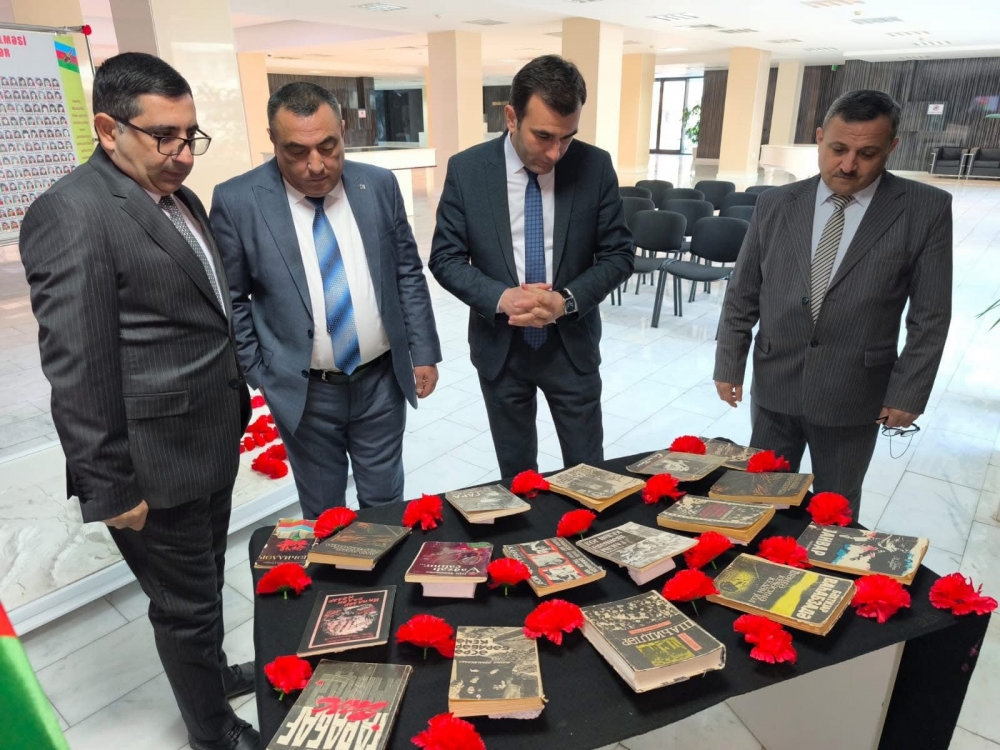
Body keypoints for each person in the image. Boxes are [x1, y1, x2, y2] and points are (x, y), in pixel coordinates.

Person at [19, 53, 260, 750]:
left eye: (190, 135)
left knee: (203, 586)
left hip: (205, 442)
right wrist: (110, 484)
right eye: (164, 137)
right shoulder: (73, 212)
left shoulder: (179, 200)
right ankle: (213, 733)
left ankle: (211, 675)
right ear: (108, 128)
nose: (182, 154)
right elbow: (77, 364)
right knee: (185, 606)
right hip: (153, 466)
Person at [714, 89, 952, 516]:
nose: (848, 165)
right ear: (820, 137)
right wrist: (729, 361)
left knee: (835, 511)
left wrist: (909, 391)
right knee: (760, 500)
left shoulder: (925, 209)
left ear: (892, 147)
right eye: (838, 149)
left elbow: (931, 316)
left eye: (867, 154)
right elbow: (742, 292)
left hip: (854, 392)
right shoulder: (775, 203)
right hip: (776, 381)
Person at [211, 82, 441, 518]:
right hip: (304, 392)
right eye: (297, 151)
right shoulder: (238, 201)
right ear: (272, 139)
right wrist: (260, 372)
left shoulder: (378, 185)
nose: (316, 165)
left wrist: (423, 351)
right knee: (323, 512)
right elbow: (232, 298)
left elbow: (407, 272)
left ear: (342, 130)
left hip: (381, 383)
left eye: (328, 146)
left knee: (385, 504)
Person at [428, 54, 633, 477]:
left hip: (571, 348)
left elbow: (619, 254)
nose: (555, 152)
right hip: (501, 349)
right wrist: (500, 297)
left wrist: (566, 301)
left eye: (567, 137)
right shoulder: (468, 170)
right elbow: (445, 258)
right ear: (511, 117)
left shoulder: (594, 166)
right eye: (543, 136)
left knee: (589, 475)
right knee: (518, 478)